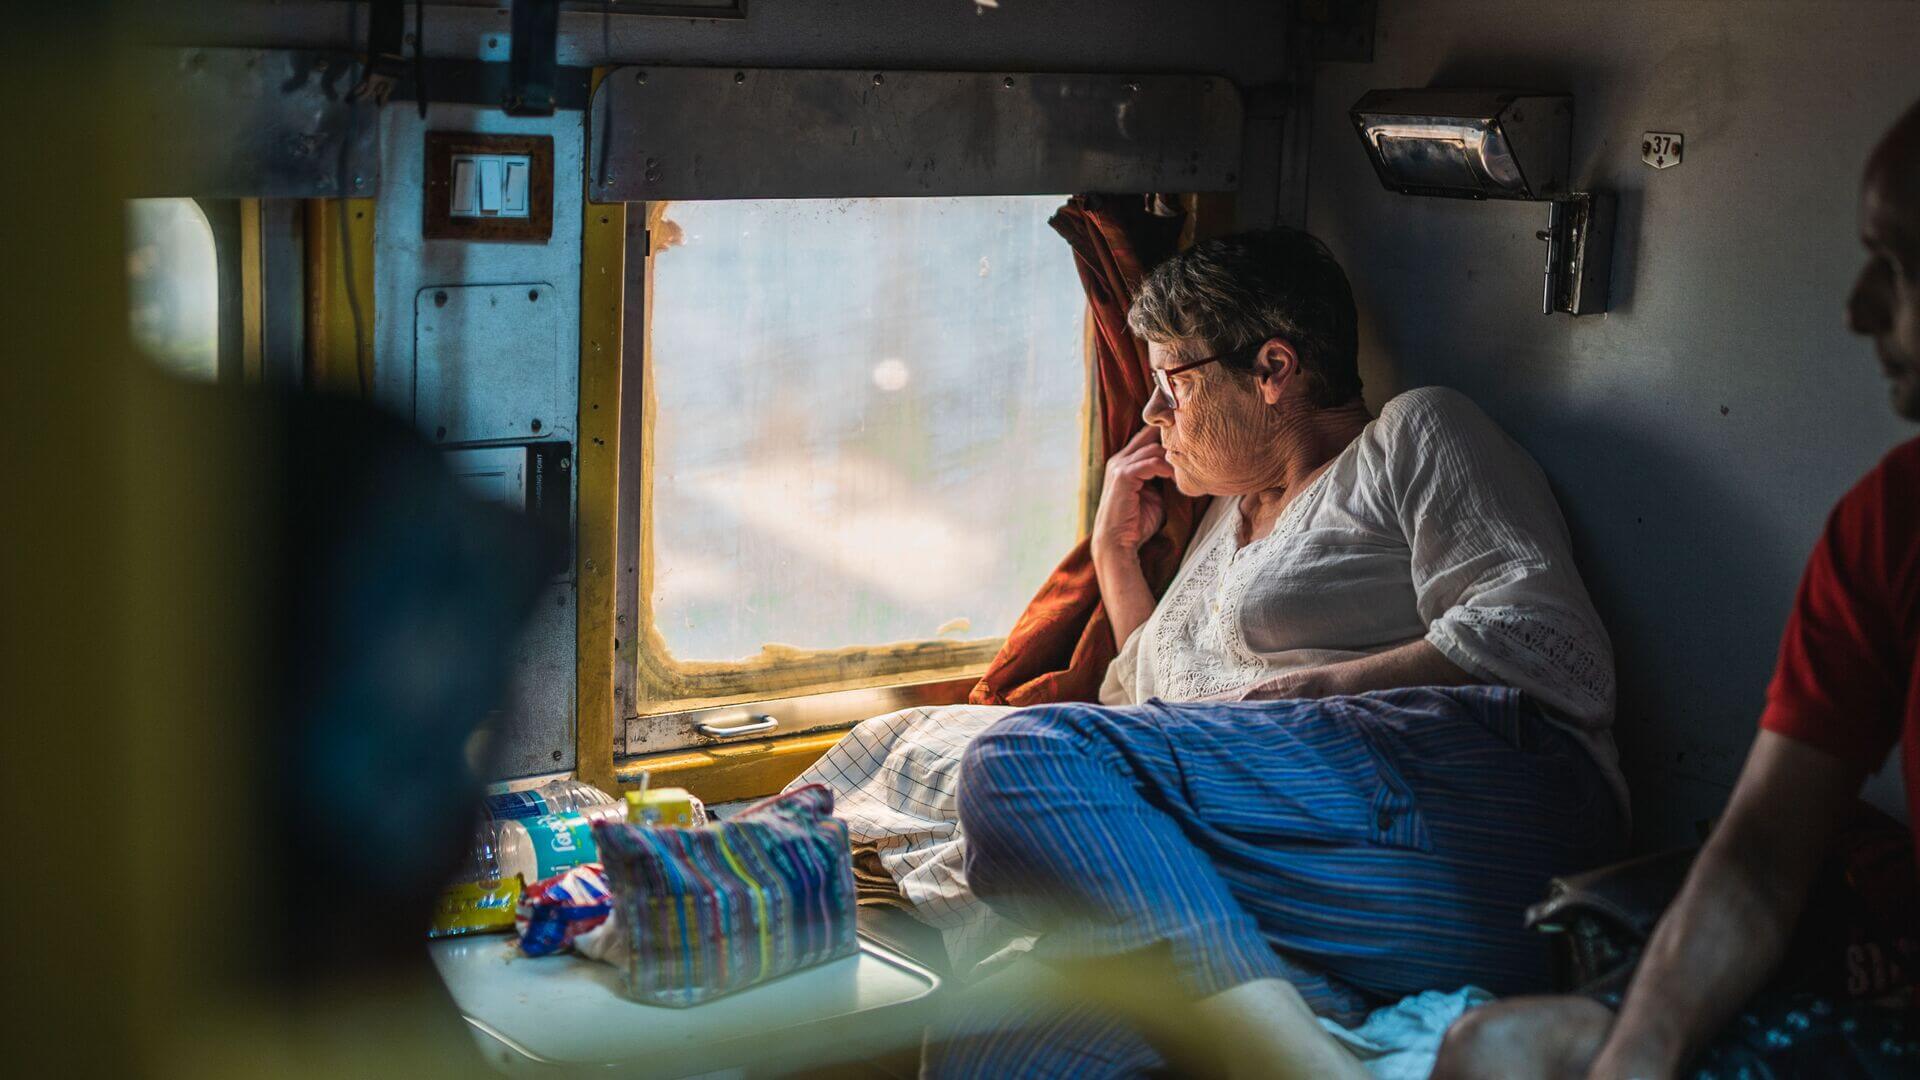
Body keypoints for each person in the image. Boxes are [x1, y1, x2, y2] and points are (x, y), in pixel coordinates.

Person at [929, 227, 1628, 1077]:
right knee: (995, 1037)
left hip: (1452, 825)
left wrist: (1314, 693)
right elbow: (1134, 708)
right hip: (1288, 858)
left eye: (1169, 384)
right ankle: (1291, 1021)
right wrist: (1115, 555)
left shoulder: (1412, 436)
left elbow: (1545, 639)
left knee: (1016, 757)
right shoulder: (1225, 518)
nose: (1153, 415)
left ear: (1271, 370)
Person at [1433, 97, 1920, 1080]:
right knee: (1499, 1049)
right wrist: (1639, 1059)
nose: (1860, 308)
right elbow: (1760, 856)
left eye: (1905, 264)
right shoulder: (1891, 524)